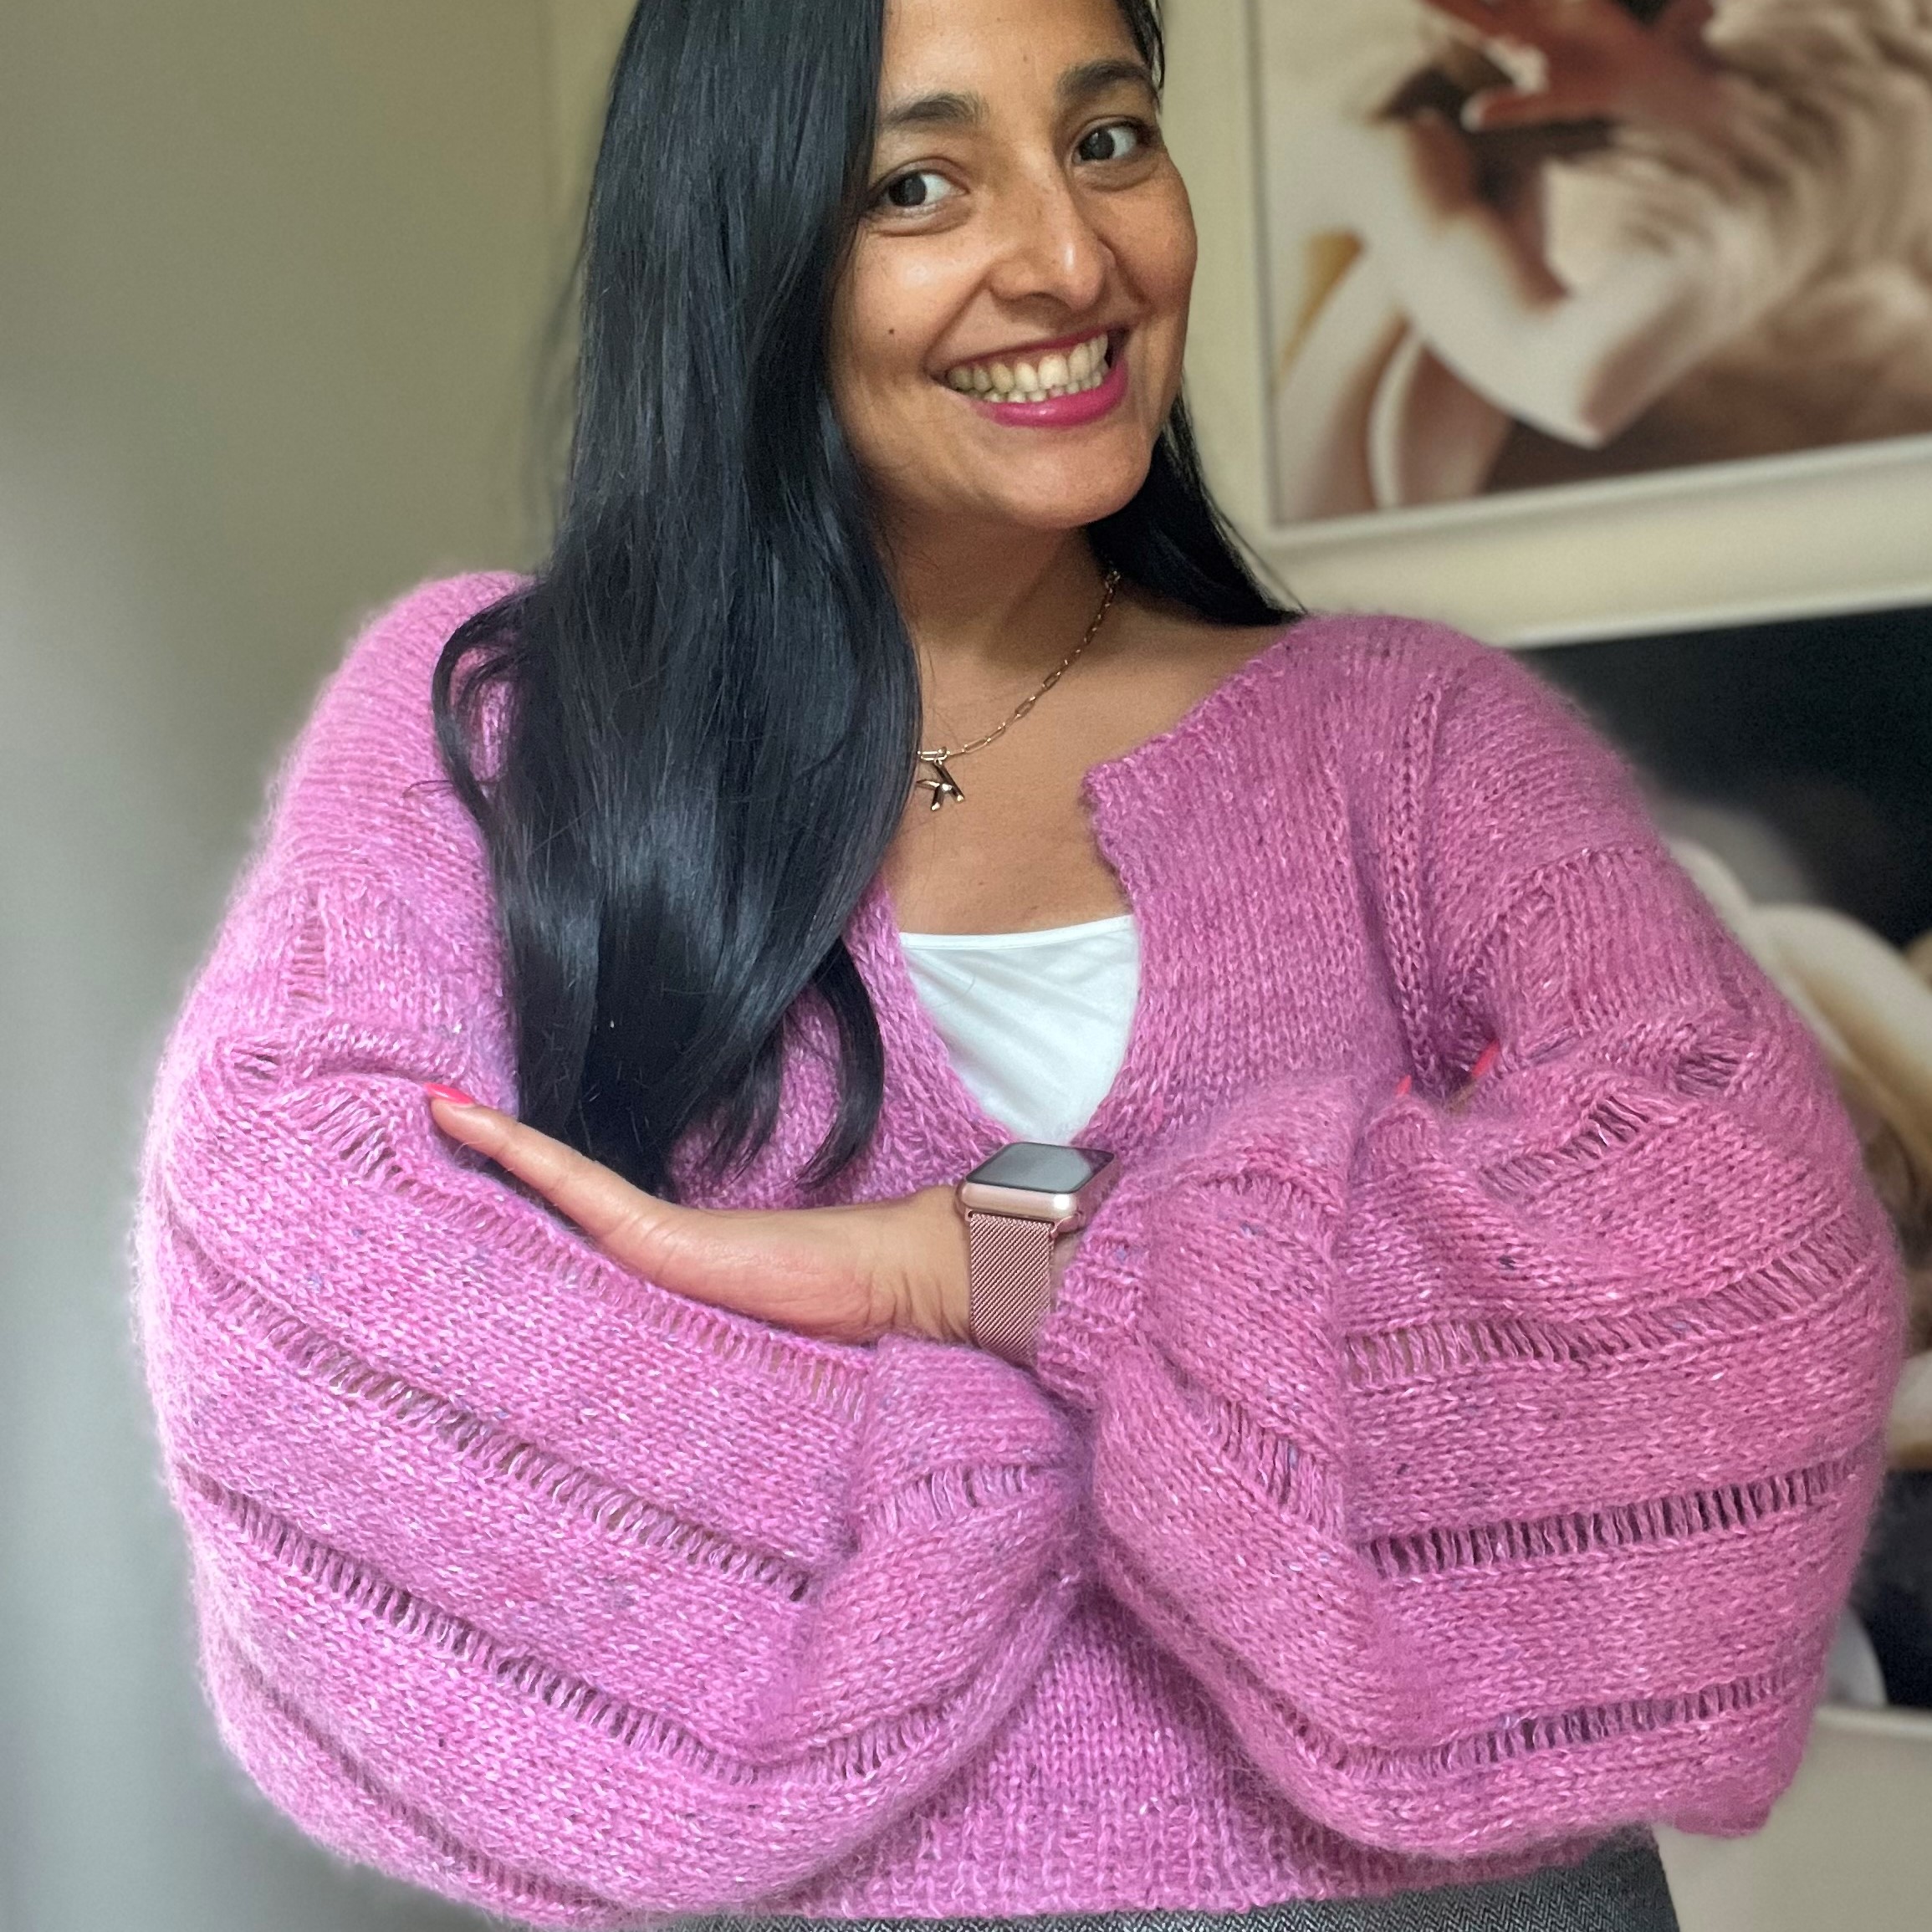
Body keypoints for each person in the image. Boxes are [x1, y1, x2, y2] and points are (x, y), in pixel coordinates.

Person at [132, 0, 1905, 1927]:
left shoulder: (1411, 739)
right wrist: (1115, 1455)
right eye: (920, 185)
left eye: (1110, 140)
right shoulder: (508, 729)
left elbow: (1752, 1280)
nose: (1070, 258)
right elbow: (309, 1301)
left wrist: (990, 1270)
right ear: (745, 245)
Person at [1269, 0, 1932, 517]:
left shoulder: (1504, 185)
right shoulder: (1393, 156)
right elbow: (1574, 388)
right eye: (1696, 29)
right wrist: (1759, 216)